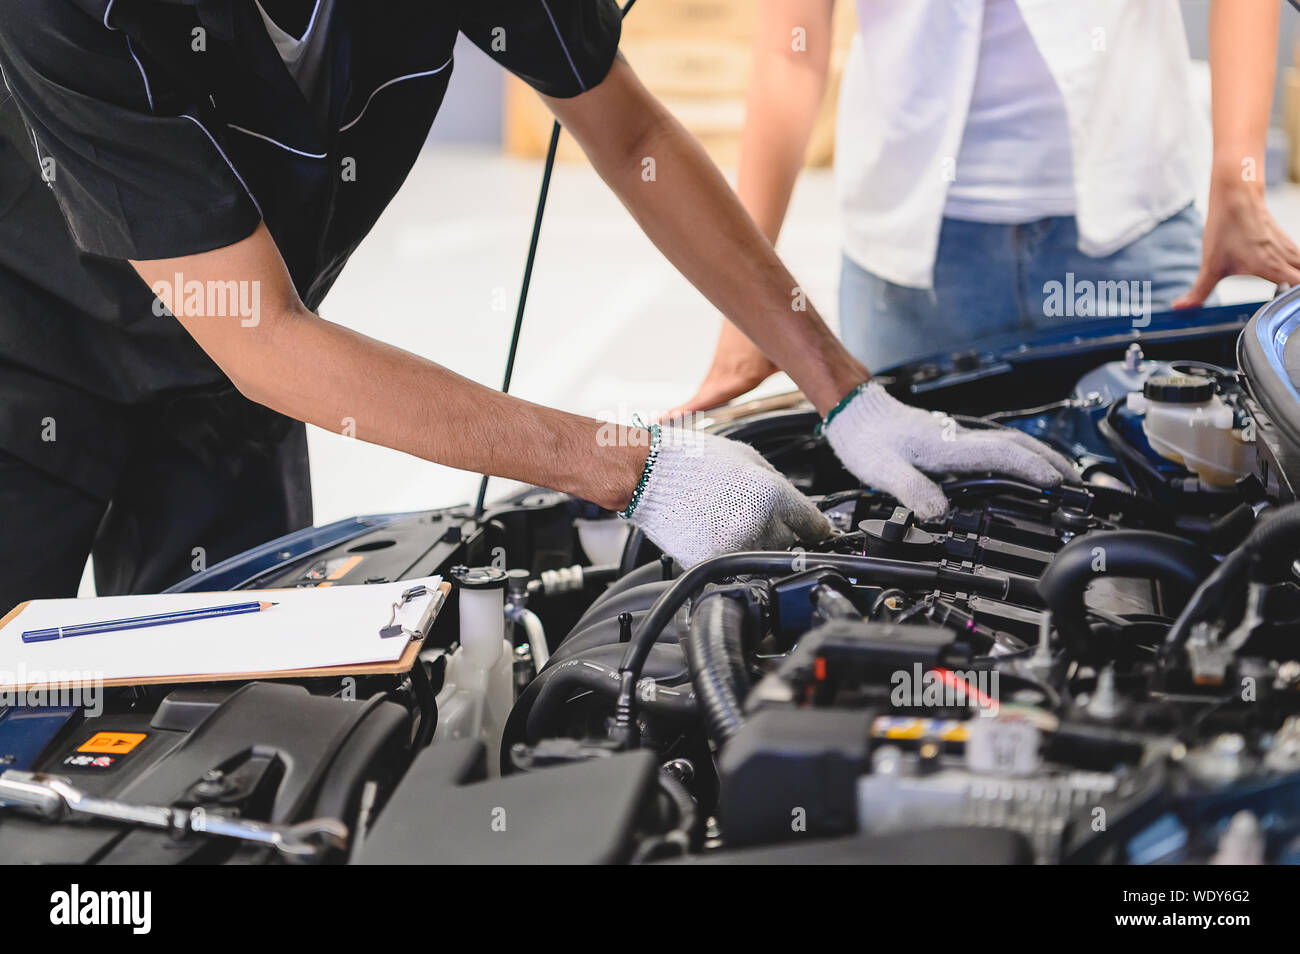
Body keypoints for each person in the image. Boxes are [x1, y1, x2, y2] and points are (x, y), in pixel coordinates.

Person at [0, 0, 1071, 610]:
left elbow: (632, 134)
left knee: (217, 734)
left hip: (233, 395)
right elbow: (258, 333)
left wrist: (844, 393)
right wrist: (634, 467)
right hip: (29, 359)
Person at [673, 0, 1300, 416]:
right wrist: (745, 299)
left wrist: (1237, 175)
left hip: (1134, 228)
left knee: (1174, 523)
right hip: (910, 270)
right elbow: (792, 47)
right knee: (905, 542)